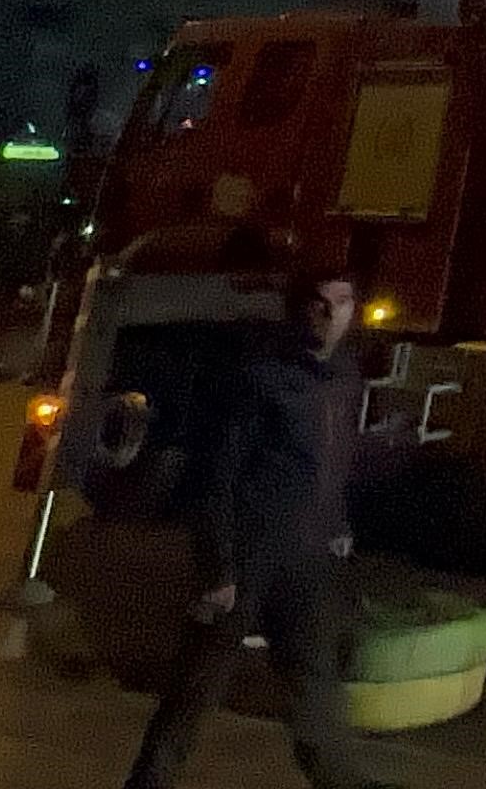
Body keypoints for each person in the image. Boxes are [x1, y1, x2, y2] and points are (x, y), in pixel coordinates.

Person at [123, 266, 372, 789]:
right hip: (246, 555)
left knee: (313, 681)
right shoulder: (260, 377)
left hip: (304, 559)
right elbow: (216, 473)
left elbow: (333, 460)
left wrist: (338, 521)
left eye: (343, 302)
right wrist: (218, 568)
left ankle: (342, 782)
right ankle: (149, 782)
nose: (331, 316)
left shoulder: (345, 379)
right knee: (197, 684)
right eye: (320, 303)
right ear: (300, 308)